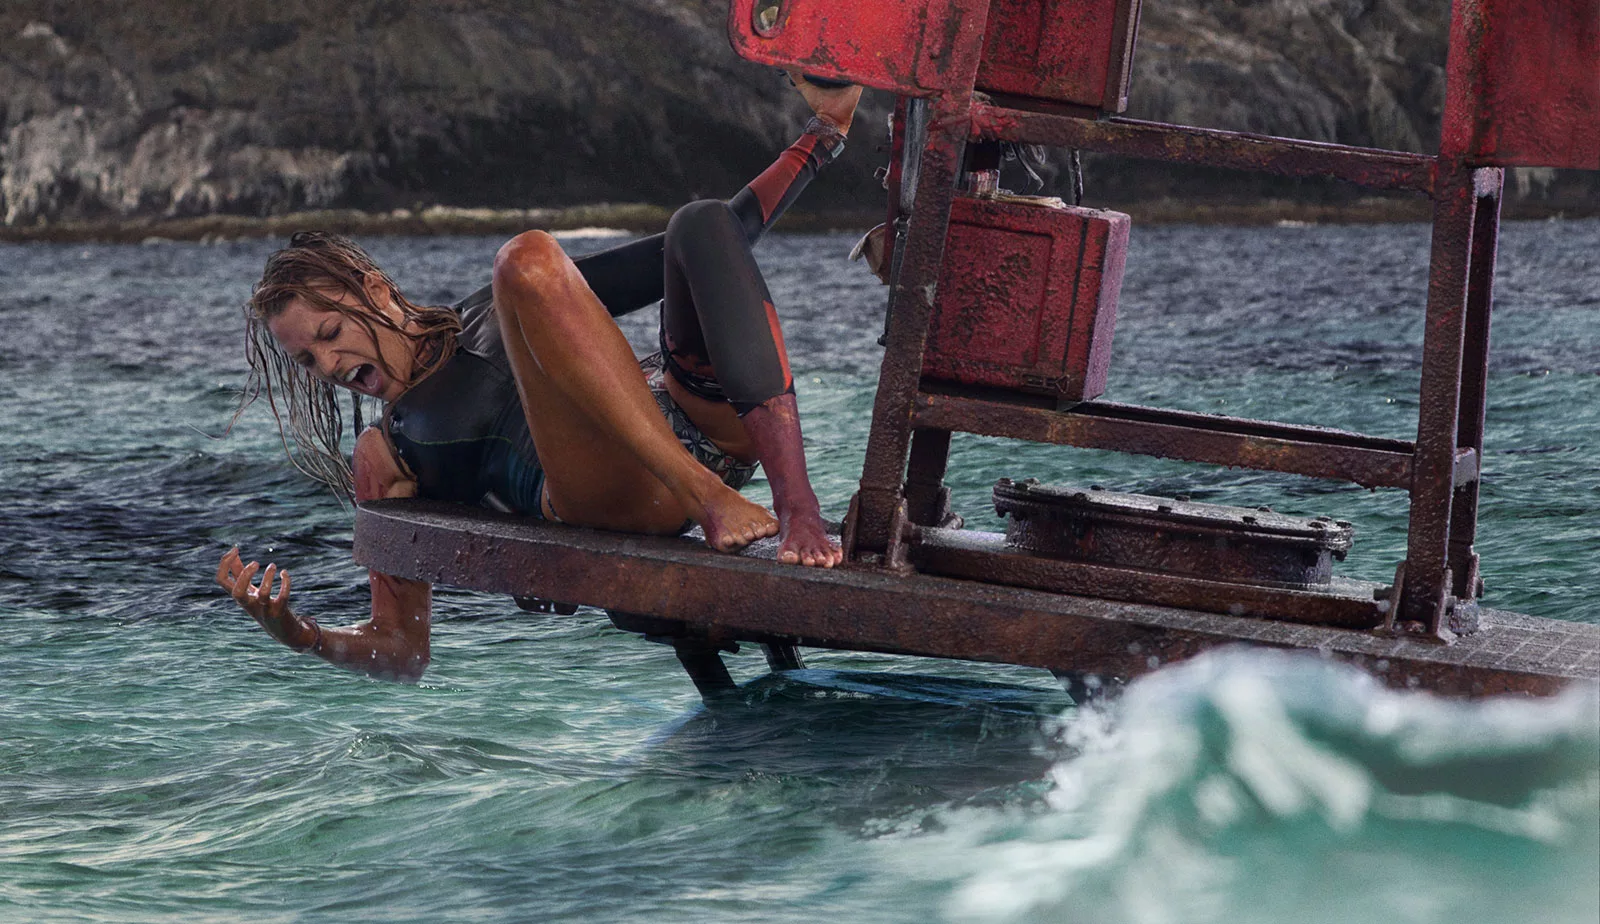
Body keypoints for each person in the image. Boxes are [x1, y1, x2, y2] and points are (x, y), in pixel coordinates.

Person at [216, 76, 862, 681]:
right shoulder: (387, 450)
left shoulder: (500, 305)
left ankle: (795, 506)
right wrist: (300, 634)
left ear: (376, 290)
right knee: (523, 258)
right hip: (615, 495)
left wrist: (825, 134)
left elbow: (726, 236)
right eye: (308, 361)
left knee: (698, 222)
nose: (329, 365)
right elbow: (402, 650)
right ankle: (706, 495)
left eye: (330, 333)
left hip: (704, 426)